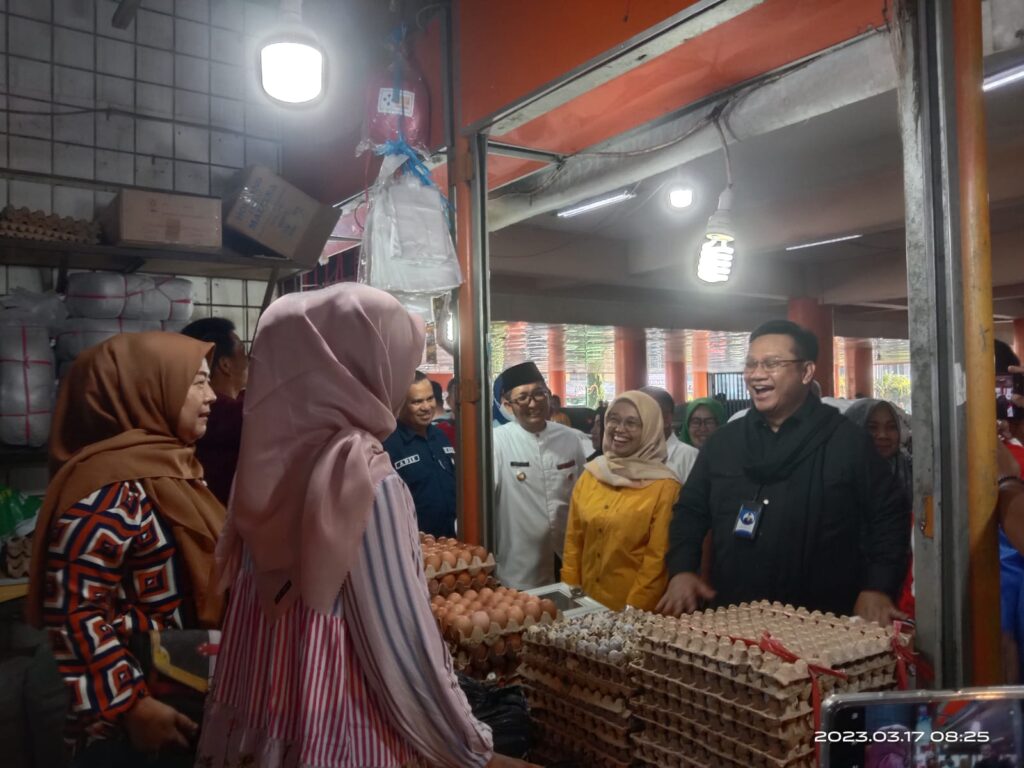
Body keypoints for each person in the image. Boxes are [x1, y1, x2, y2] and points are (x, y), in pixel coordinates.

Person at [196, 284, 531, 768]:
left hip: (263, 714)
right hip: (344, 727)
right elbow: (399, 642)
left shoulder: (267, 459)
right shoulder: (361, 475)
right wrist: (470, 748)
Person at [27, 332, 224, 766]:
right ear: (147, 388)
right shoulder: (110, 490)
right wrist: (129, 705)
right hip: (133, 720)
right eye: (197, 383)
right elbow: (74, 611)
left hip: (181, 690)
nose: (212, 395)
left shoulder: (173, 468)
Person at [658, 320, 909, 623]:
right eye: (751, 364)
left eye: (772, 363)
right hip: (736, 613)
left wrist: (877, 587)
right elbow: (690, 511)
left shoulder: (846, 442)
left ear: (806, 372)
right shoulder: (724, 443)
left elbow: (888, 516)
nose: (757, 374)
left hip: (823, 617)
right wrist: (682, 570)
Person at [561, 391, 681, 611]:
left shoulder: (665, 488)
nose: (619, 429)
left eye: (632, 423)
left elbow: (656, 561)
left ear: (649, 430)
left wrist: (633, 612)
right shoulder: (591, 474)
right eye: (613, 419)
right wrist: (570, 594)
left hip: (632, 613)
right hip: (584, 606)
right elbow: (573, 543)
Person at [492, 361, 588, 589]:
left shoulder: (570, 438)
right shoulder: (497, 441)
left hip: (568, 556)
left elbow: (584, 493)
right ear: (508, 405)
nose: (532, 403)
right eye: (522, 398)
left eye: (539, 394)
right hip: (519, 565)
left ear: (549, 395)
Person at [846, 398, 915, 618]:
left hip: (905, 582)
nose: (883, 436)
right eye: (872, 428)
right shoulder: (840, 476)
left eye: (891, 427)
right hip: (852, 588)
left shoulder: (915, 470)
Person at [181, 317, 249, 506]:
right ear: (225, 364)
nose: (249, 358)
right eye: (243, 351)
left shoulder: (240, 408)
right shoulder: (224, 414)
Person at [383, 371, 458, 538]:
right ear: (400, 404)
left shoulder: (440, 437)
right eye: (417, 402)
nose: (426, 407)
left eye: (430, 399)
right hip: (414, 545)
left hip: (453, 542)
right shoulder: (388, 445)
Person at [641, 386, 699, 483]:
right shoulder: (628, 454)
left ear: (667, 418)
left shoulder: (689, 456)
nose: (637, 418)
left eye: (645, 412)